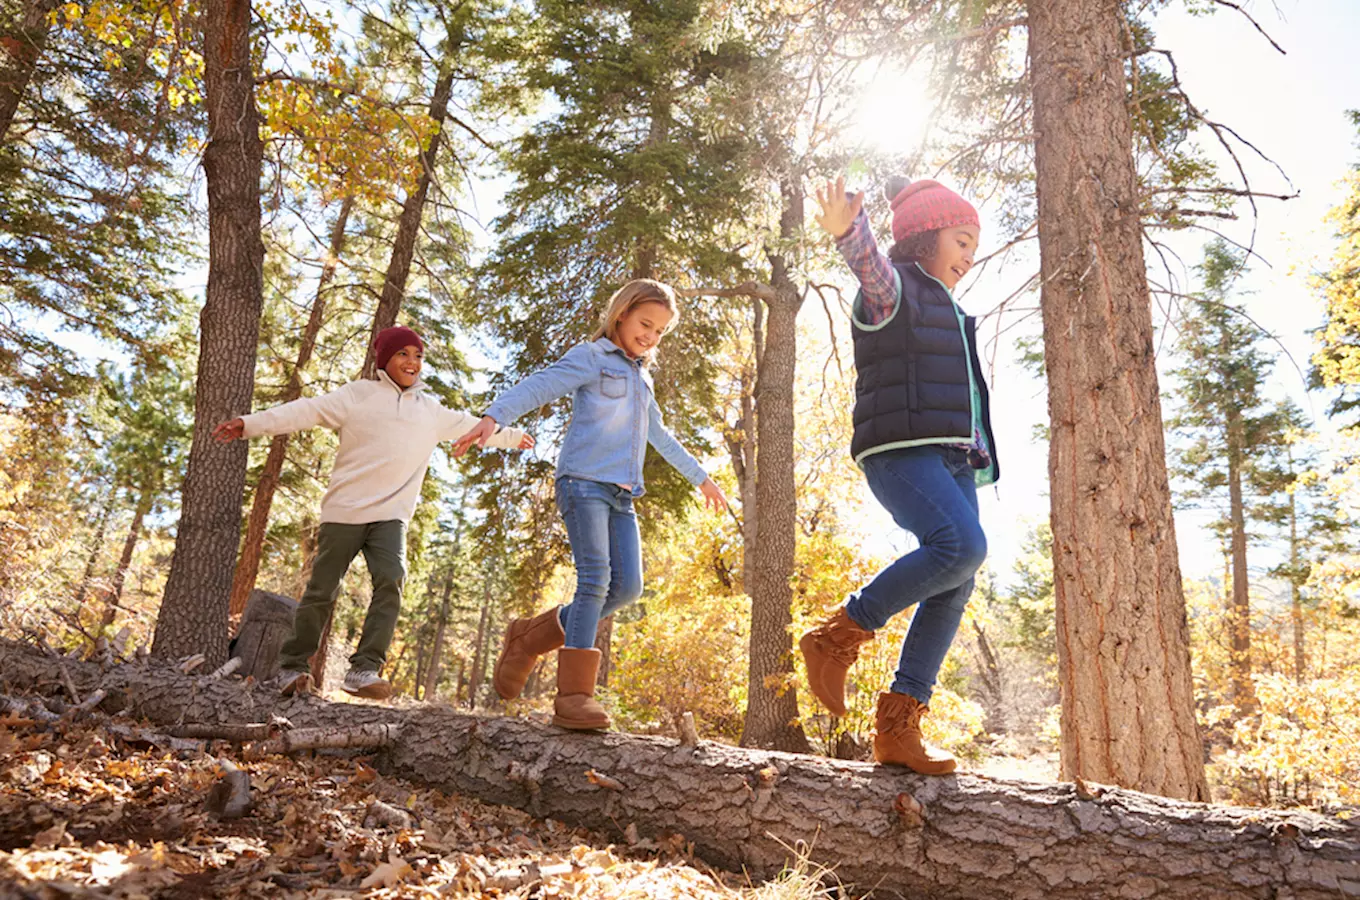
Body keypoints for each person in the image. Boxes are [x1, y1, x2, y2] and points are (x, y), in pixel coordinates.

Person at [453, 279, 727, 730]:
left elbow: (660, 435)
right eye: (645, 324)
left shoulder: (642, 378)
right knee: (595, 578)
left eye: (660, 331)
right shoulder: (591, 357)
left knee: (628, 588)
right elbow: (540, 386)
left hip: (622, 495)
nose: (651, 337)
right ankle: (574, 696)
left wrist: (701, 477)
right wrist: (493, 417)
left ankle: (529, 637)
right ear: (621, 313)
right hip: (583, 483)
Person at [800, 175, 1000, 774]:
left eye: (974, 244)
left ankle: (899, 726)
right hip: (900, 450)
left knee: (957, 577)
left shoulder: (953, 309)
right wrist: (849, 232)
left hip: (952, 457)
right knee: (961, 545)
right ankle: (838, 635)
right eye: (961, 241)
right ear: (922, 240)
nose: (970, 255)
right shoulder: (897, 291)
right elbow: (869, 269)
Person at [213, 325, 533, 699]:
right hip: (344, 511)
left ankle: (363, 669)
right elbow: (305, 411)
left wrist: (510, 437)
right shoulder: (357, 396)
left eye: (418, 356)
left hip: (391, 516)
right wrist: (248, 424)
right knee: (321, 591)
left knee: (392, 578)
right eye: (403, 354)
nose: (412, 362)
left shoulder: (430, 410)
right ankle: (292, 667)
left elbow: (472, 426)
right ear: (385, 359)